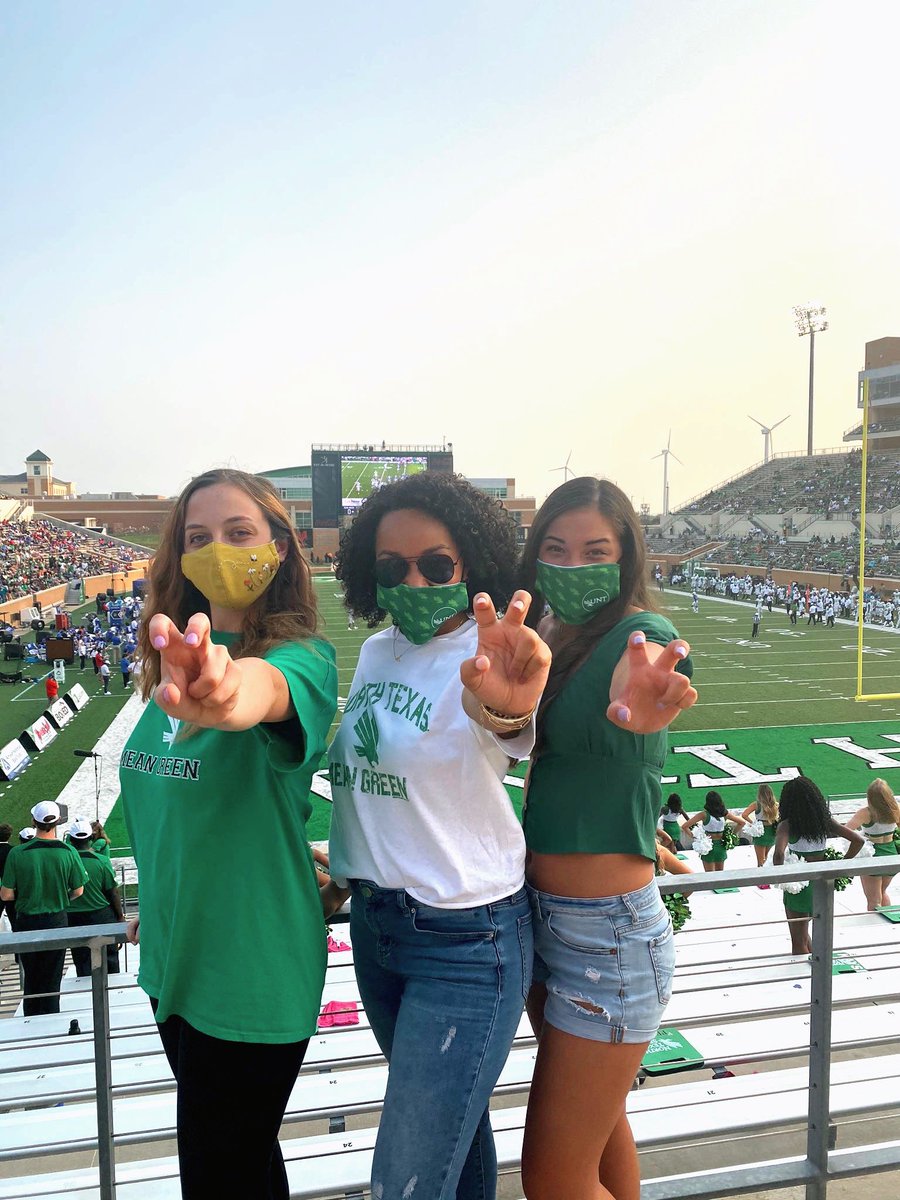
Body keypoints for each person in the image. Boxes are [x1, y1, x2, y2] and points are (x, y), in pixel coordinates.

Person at [326, 472, 550, 1200]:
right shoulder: (377, 651)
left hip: (466, 935)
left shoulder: (491, 657)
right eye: (391, 567)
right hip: (377, 925)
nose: (414, 579)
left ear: (473, 562)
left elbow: (507, 723)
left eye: (436, 564)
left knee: (405, 1181)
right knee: (460, 1136)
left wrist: (508, 709)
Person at [120, 468, 337, 1200]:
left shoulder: (300, 659)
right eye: (198, 537)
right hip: (177, 966)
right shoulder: (169, 669)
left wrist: (225, 687)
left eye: (239, 533)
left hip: (251, 971)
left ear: (280, 547)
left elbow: (258, 693)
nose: (218, 549)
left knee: (216, 1177)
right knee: (241, 1168)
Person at [517, 477, 697, 1200]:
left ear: (626, 557)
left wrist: (643, 707)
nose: (574, 562)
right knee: (599, 1133)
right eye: (556, 547)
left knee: (553, 1181)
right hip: (548, 921)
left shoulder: (632, 635)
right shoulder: (553, 632)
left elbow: (646, 683)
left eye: (597, 549)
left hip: (608, 938)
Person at [0, 801, 87, 1015]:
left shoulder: (18, 853)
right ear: (57, 822)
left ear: (33, 821)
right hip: (56, 919)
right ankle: (50, 1019)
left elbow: (6, 894)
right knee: (52, 976)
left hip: (27, 921)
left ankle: (31, 1018)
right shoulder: (68, 851)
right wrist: (60, 897)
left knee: (32, 976)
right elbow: (78, 891)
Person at [773, 776, 864, 954]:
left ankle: (805, 977)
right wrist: (841, 866)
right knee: (805, 934)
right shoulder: (825, 822)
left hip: (798, 885)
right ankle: (817, 968)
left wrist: (781, 875)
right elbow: (858, 840)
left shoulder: (786, 825)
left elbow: (778, 854)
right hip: (820, 885)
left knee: (797, 941)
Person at [65, 818, 123, 976]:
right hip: (101, 915)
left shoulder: (65, 861)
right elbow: (112, 891)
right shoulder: (102, 861)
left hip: (74, 916)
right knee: (110, 958)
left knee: (82, 959)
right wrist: (120, 917)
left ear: (71, 839)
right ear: (91, 838)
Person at [845, 778, 900, 910]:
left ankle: (878, 928)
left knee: (874, 900)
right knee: (882, 892)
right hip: (891, 854)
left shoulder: (865, 812)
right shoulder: (895, 809)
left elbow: (847, 830)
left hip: (872, 856)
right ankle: (889, 924)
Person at [683, 791, 747, 873]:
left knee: (709, 876)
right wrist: (732, 834)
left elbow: (685, 826)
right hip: (721, 846)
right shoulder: (725, 814)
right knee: (719, 875)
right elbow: (742, 822)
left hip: (707, 846)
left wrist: (694, 837)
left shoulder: (704, 815)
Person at [742, 783, 780, 868]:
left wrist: (753, 823)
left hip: (760, 831)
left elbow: (744, 815)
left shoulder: (756, 804)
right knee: (766, 858)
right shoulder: (776, 805)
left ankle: (761, 878)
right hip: (771, 832)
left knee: (760, 860)